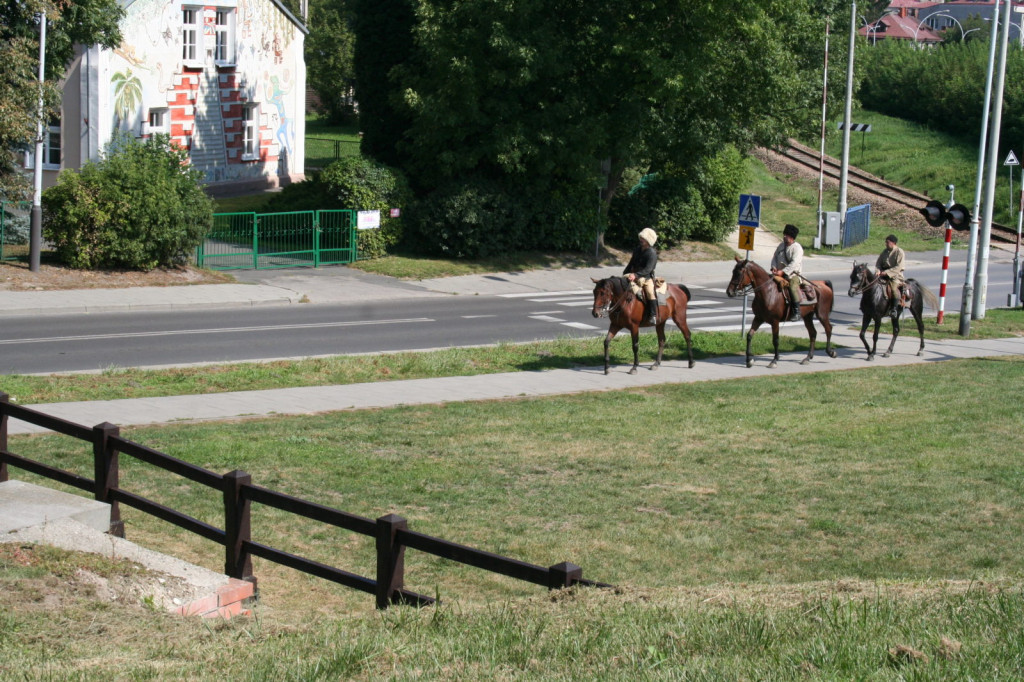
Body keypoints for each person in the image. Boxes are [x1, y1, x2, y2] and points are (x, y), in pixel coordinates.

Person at [624, 227, 659, 324]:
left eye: (643, 238)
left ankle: (653, 315)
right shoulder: (637, 250)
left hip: (646, 277)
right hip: (633, 275)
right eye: (641, 238)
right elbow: (631, 263)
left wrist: (636, 275)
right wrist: (625, 273)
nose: (641, 240)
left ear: (649, 240)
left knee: (650, 293)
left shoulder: (652, 253)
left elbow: (648, 269)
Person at [771, 224, 805, 321]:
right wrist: (773, 266)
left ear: (792, 237)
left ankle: (797, 312)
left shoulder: (797, 248)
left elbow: (794, 263)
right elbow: (775, 257)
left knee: (792, 287)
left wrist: (783, 272)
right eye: (784, 234)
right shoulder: (781, 245)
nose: (784, 236)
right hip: (778, 273)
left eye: (787, 235)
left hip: (793, 275)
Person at [876, 234, 906, 316]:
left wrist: (887, 272)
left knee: (893, 288)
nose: (885, 243)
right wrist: (878, 270)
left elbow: (899, 266)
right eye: (885, 242)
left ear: (893, 243)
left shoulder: (899, 252)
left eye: (887, 242)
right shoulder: (884, 252)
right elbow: (878, 263)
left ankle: (894, 309)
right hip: (883, 274)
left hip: (895, 276)